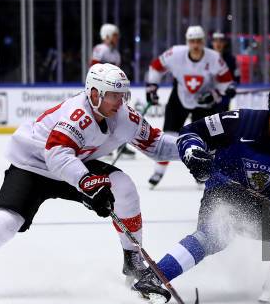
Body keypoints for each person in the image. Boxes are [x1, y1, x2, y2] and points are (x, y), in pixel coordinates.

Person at [0, 63, 179, 302]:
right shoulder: (77, 114)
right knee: (7, 219)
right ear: (94, 93)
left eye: (122, 95)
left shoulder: (124, 116)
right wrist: (88, 183)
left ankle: (133, 259)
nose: (120, 101)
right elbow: (56, 153)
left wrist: (191, 148)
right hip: (34, 164)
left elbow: (157, 145)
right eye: (113, 95)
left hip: (74, 163)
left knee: (123, 187)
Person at [132, 80, 270, 304]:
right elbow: (190, 133)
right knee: (216, 233)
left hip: (263, 209)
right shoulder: (240, 121)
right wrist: (194, 153)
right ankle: (151, 279)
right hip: (222, 197)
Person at [145, 25, 235, 188]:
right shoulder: (175, 53)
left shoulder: (213, 57)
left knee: (205, 139)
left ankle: (202, 172)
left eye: (199, 41)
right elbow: (156, 67)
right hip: (179, 98)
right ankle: (158, 171)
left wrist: (219, 93)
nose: (195, 45)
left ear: (203, 42)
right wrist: (152, 86)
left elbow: (226, 83)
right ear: (187, 42)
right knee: (169, 135)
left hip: (204, 101)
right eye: (192, 41)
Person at [90, 23, 135, 159]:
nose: (117, 38)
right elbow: (93, 68)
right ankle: (101, 145)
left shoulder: (115, 53)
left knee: (118, 116)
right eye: (115, 35)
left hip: (112, 92)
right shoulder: (100, 49)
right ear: (107, 35)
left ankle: (119, 145)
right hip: (102, 91)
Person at [211, 31, 239, 113]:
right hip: (209, 96)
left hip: (224, 96)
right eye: (216, 41)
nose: (218, 43)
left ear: (225, 43)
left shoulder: (231, 59)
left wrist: (232, 87)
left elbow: (236, 77)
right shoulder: (205, 58)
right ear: (212, 43)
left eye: (221, 41)